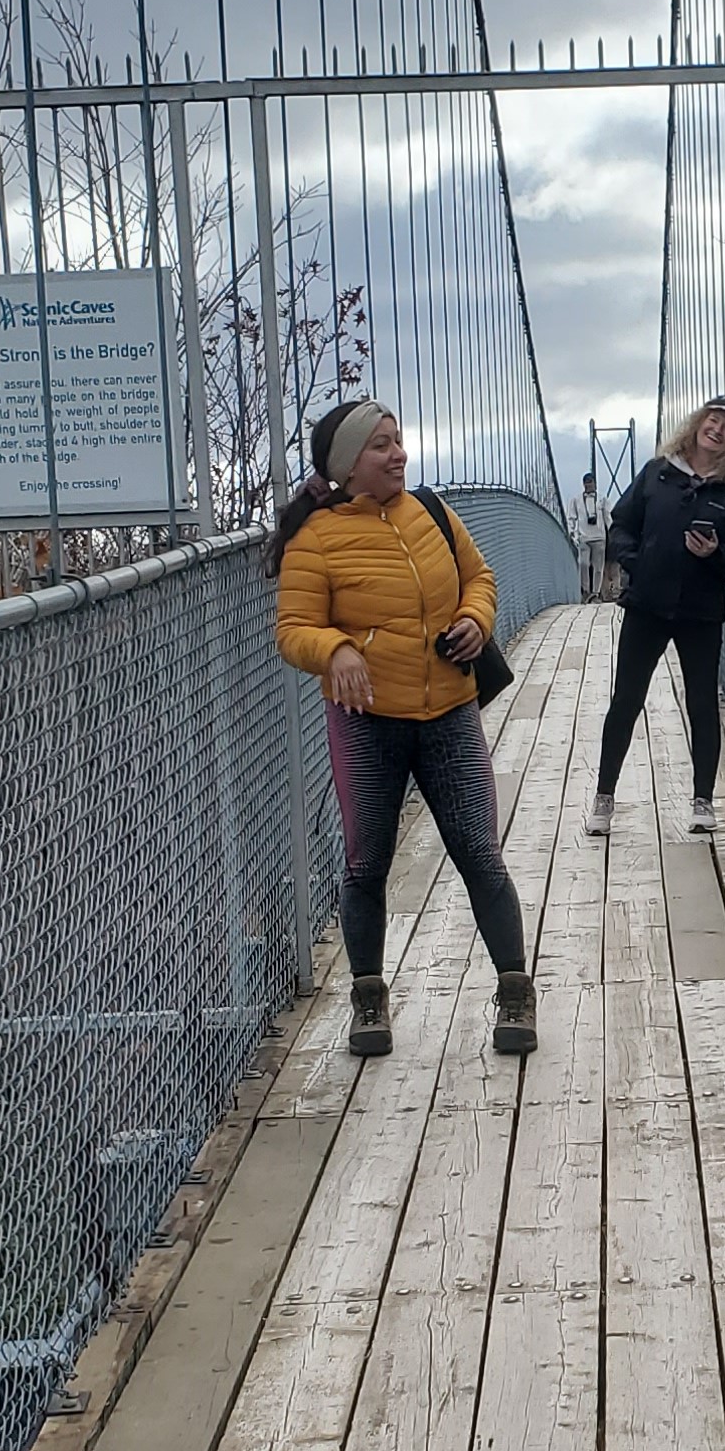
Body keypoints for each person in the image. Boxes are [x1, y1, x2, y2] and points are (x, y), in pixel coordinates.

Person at [271, 398, 535, 1058]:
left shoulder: (433, 513)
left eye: (399, 441)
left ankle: (514, 991)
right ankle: (367, 1001)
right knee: (367, 864)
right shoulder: (316, 540)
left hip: (447, 711)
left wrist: (477, 618)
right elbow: (293, 631)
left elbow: (479, 576)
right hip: (367, 725)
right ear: (346, 467)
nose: (399, 455)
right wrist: (336, 650)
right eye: (381, 446)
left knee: (480, 852)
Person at [586, 395, 725, 839]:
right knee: (626, 700)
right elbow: (620, 525)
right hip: (647, 604)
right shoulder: (655, 474)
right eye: (712, 420)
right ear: (698, 423)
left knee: (702, 704)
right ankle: (604, 798)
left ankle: (703, 802)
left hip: (700, 612)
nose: (716, 430)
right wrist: (637, 561)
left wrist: (716, 552)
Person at [570, 471, 608, 601]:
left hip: (599, 537)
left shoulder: (602, 499)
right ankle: (585, 590)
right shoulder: (576, 500)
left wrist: (613, 532)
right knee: (583, 564)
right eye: (586, 483)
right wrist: (572, 532)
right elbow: (572, 517)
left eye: (590, 482)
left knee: (598, 567)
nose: (588, 485)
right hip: (584, 537)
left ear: (595, 484)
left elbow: (607, 517)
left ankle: (596, 593)